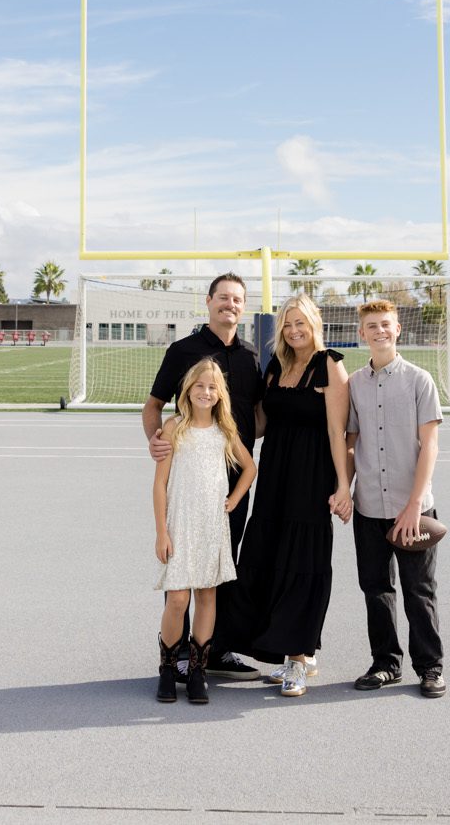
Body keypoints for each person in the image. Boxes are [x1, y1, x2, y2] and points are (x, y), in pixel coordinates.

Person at [222, 293, 351, 697]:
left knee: (302, 561)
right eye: (288, 324)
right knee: (268, 555)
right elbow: (261, 424)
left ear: (314, 324)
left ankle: (299, 657)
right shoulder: (276, 365)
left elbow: (337, 432)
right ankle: (278, 649)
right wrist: (215, 418)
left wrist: (343, 485)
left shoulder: (330, 364)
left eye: (301, 323)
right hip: (275, 474)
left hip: (311, 478)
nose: (294, 331)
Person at [143, 272, 264, 679]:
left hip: (230, 484)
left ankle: (213, 651)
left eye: (237, 299)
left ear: (244, 307)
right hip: (189, 479)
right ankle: (175, 654)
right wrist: (157, 442)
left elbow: (257, 415)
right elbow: (153, 406)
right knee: (180, 569)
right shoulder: (183, 351)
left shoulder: (250, 356)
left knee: (219, 568)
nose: (230, 305)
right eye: (223, 298)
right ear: (209, 302)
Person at [344, 299, 446, 698]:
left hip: (413, 507)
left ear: (398, 329)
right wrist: (344, 488)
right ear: (362, 333)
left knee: (419, 591)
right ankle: (385, 664)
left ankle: (430, 667)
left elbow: (430, 445)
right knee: (376, 589)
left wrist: (414, 505)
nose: (380, 331)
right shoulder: (355, 384)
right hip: (369, 505)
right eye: (372, 325)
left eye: (386, 324)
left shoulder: (420, 380)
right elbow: (351, 442)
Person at [152, 359, 257, 705]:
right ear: (188, 390)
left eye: (212, 387)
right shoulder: (174, 428)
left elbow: (249, 468)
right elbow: (160, 484)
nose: (205, 392)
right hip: (180, 524)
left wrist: (233, 500)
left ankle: (198, 670)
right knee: (178, 598)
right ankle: (168, 668)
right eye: (199, 385)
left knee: (207, 597)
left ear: (220, 395)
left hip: (212, 524)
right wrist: (161, 532)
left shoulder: (224, 431)